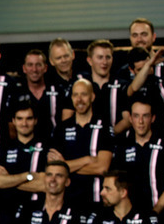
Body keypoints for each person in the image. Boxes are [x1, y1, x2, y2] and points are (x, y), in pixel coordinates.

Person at [0, 102, 49, 224]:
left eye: (29, 119)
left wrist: (9, 179)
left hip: (36, 215)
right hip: (8, 215)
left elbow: (46, 184)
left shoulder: (45, 148)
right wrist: (28, 176)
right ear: (13, 121)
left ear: (36, 120)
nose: (24, 123)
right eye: (20, 119)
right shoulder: (5, 148)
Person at [49, 78, 114, 209]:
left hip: (96, 201)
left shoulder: (104, 127)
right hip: (67, 200)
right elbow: (54, 168)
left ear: (92, 97)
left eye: (84, 94)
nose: (79, 100)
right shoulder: (61, 128)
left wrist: (66, 166)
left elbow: (102, 168)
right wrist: (86, 160)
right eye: (75, 95)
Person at [111, 98, 164, 220]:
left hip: (160, 215)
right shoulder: (122, 148)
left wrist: (153, 214)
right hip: (130, 218)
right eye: (136, 116)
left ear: (152, 118)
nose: (140, 121)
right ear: (130, 119)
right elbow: (117, 186)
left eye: (145, 116)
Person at [125, 35, 164, 143]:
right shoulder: (128, 87)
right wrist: (148, 64)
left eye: (149, 66)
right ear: (131, 70)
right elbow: (134, 88)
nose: (147, 71)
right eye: (141, 69)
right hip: (139, 144)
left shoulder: (163, 82)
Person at [21, 49, 73, 140]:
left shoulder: (59, 91)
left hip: (54, 145)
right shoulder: (16, 93)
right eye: (30, 65)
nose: (34, 69)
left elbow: (67, 123)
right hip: (27, 148)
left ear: (45, 68)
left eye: (38, 65)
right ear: (24, 68)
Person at [84, 39, 130, 135]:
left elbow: (127, 119)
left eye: (108, 57)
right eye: (100, 57)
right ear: (89, 61)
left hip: (116, 144)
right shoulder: (81, 85)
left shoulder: (122, 85)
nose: (104, 62)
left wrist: (109, 135)